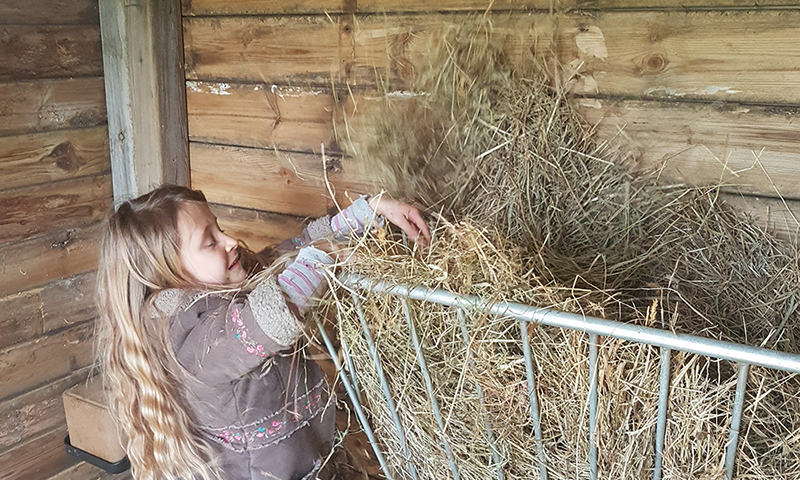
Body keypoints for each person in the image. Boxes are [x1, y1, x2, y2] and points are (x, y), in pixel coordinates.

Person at [96, 185, 430, 480]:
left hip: (311, 460)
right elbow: (264, 319)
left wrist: (369, 210)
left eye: (220, 228)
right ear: (168, 272)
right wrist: (322, 258)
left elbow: (287, 254)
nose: (230, 241)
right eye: (210, 241)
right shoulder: (188, 335)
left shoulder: (231, 286)